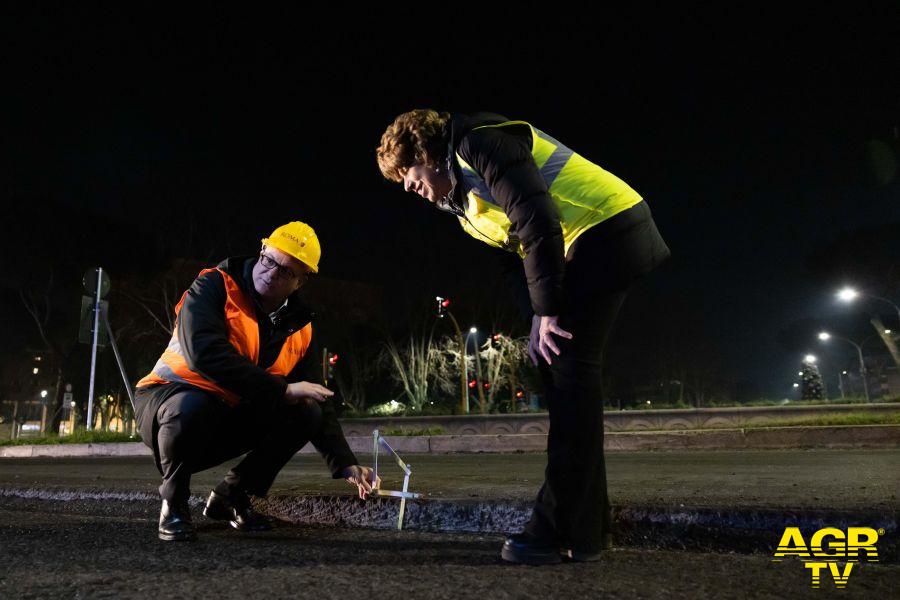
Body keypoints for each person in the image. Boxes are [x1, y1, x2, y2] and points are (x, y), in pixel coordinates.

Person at [377, 110, 670, 564]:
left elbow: (537, 218)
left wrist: (549, 307)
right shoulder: (462, 205)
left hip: (608, 230)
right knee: (562, 379)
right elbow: (511, 256)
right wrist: (537, 313)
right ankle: (588, 530)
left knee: (570, 381)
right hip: (579, 249)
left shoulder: (479, 145)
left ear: (426, 154)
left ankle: (558, 529)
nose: (406, 187)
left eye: (407, 174)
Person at [134, 221, 378, 541]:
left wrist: (345, 463)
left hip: (224, 415)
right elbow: (204, 353)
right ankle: (174, 503)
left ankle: (233, 496)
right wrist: (282, 389)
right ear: (262, 250)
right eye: (269, 260)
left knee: (308, 410)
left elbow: (317, 395)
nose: (272, 273)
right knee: (191, 405)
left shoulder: (299, 327)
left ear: (302, 280)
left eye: (287, 271)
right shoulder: (214, 285)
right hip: (167, 405)